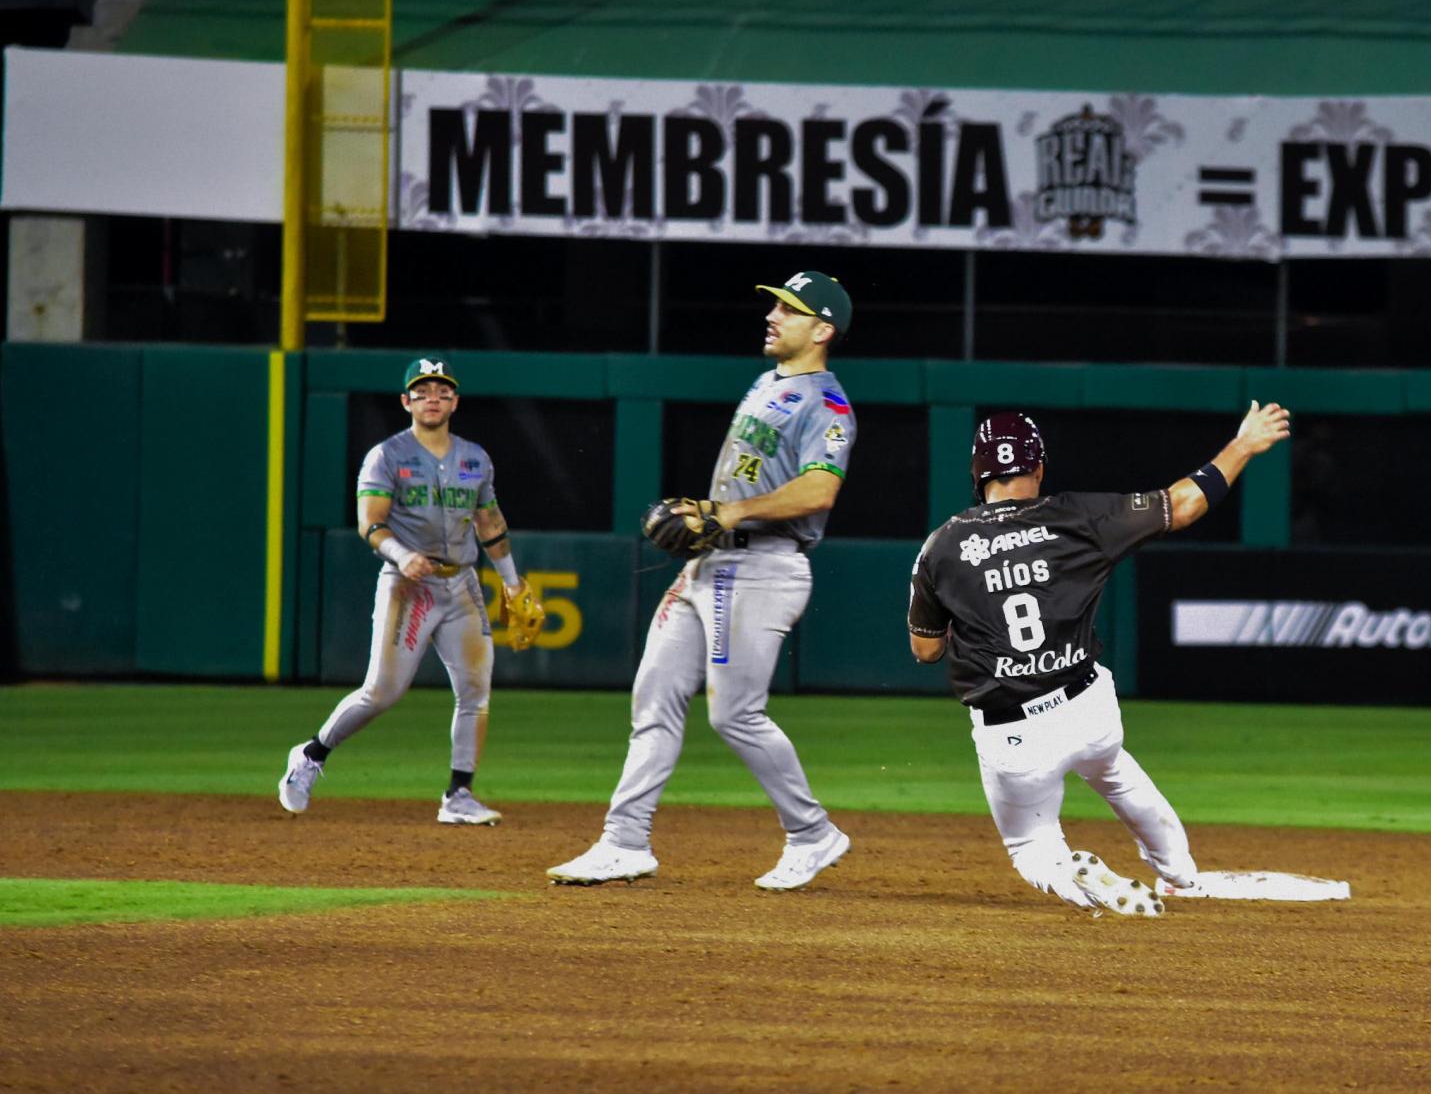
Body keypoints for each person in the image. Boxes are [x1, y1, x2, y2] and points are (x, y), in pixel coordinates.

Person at [905, 401, 1292, 915]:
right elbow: (1184, 503)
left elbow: (925, 649)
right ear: (1038, 467)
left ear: (977, 473)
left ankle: (1077, 876)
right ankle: (1180, 875)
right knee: (1115, 772)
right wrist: (1244, 443)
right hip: (1087, 708)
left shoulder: (942, 547)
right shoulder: (1079, 518)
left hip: (1013, 733)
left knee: (1031, 846)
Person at [549, 271, 859, 890]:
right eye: (773, 304)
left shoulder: (829, 405)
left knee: (735, 715)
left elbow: (820, 487)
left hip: (763, 567)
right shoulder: (765, 383)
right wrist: (708, 517)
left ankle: (812, 833)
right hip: (713, 562)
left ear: (822, 330)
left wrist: (732, 513)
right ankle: (624, 842)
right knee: (653, 697)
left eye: (789, 310)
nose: (772, 315)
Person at [278, 358, 531, 825]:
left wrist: (512, 580)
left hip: (462, 583)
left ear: (454, 401)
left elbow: (489, 522)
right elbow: (369, 522)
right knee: (382, 692)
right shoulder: (387, 456)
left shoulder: (475, 458)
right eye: (422, 390)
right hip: (409, 585)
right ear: (406, 401)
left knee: (476, 689)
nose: (431, 398)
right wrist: (400, 554)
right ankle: (311, 754)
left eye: (441, 390)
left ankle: (459, 795)